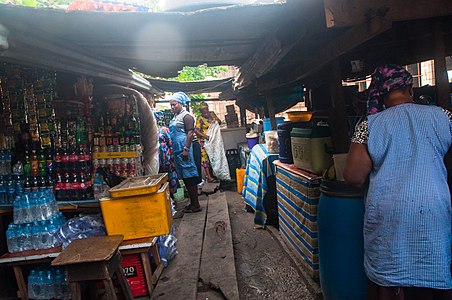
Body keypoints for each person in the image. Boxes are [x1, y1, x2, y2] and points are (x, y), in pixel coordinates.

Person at [344, 64, 452, 300]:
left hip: (389, 214)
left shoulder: (369, 125)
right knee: (432, 271)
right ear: (410, 88)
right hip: (433, 209)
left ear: (379, 94)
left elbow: (353, 177)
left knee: (391, 276)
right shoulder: (443, 116)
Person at [169, 92, 202, 213]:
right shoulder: (176, 116)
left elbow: (190, 133)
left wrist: (186, 149)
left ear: (181, 103)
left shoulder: (187, 116)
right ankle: (193, 202)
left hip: (189, 148)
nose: (172, 107)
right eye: (171, 105)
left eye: (174, 104)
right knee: (186, 176)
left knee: (190, 175)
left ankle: (196, 204)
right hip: (180, 149)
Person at [194, 102, 221, 183]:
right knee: (205, 158)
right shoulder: (200, 118)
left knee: (213, 156)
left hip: (213, 140)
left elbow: (219, 122)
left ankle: (214, 174)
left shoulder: (212, 114)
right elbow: (196, 130)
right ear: (201, 111)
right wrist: (205, 136)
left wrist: (211, 117)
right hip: (204, 141)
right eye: (203, 110)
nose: (205, 112)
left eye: (206, 109)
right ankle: (209, 177)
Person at [154, 111, 178, 195]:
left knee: (169, 174)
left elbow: (170, 144)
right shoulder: (148, 131)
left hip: (165, 158)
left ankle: (171, 196)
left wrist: (172, 157)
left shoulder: (163, 130)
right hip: (155, 159)